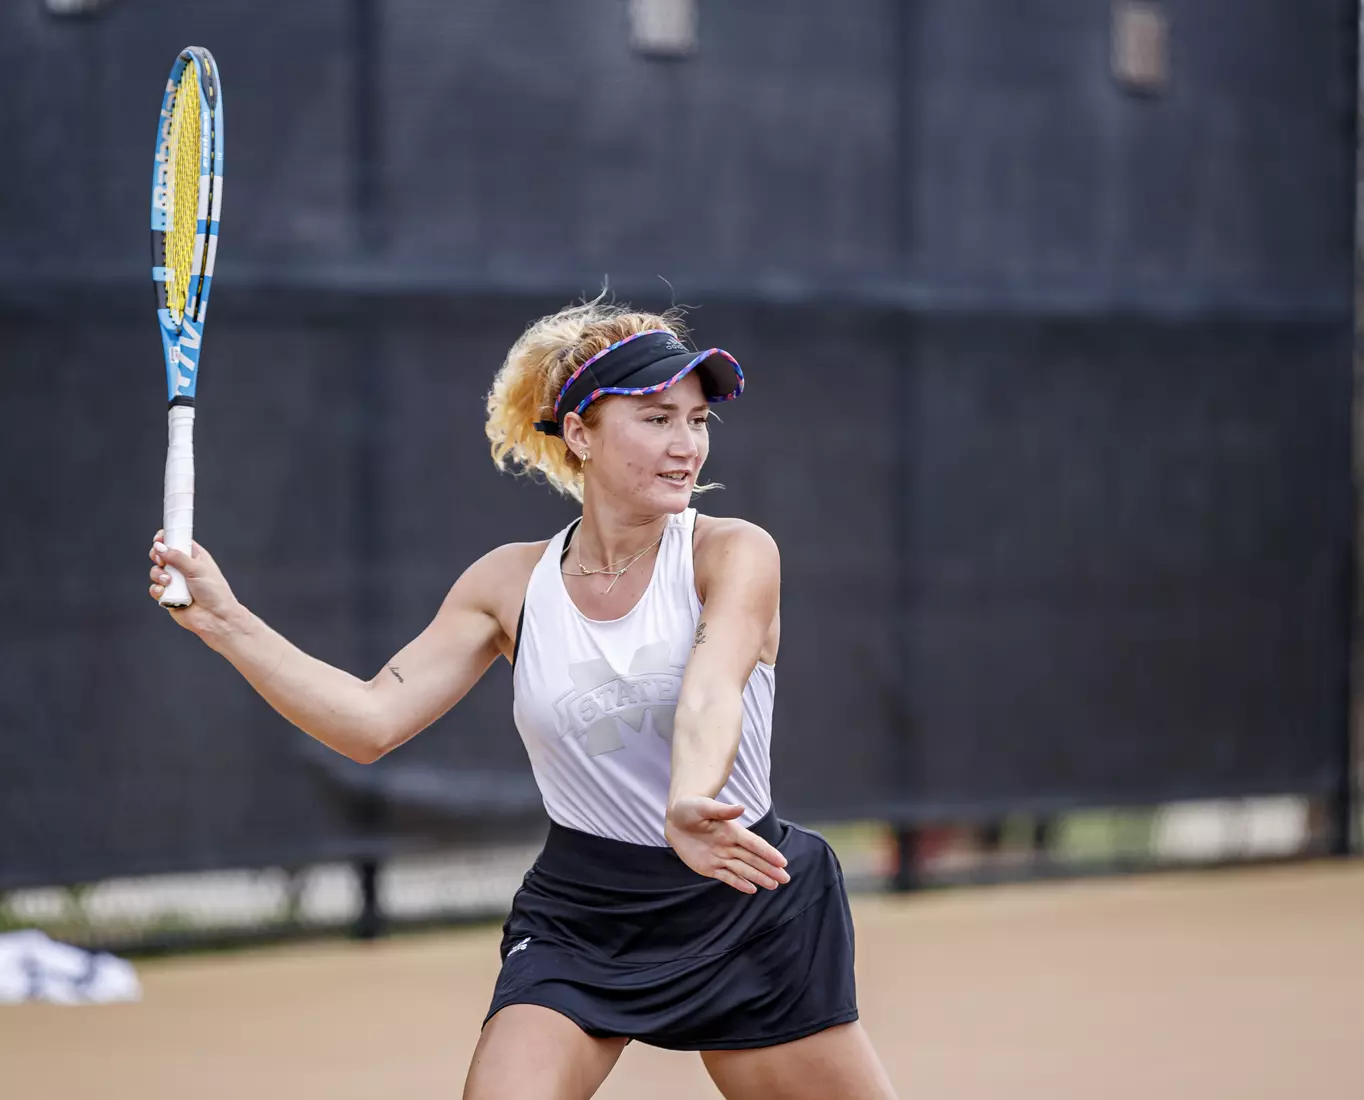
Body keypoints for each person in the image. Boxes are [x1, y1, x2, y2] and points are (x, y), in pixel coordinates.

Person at [147, 298, 899, 1100]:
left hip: (742, 895)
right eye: (656, 420)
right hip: (585, 912)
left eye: (697, 420)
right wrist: (226, 622)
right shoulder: (507, 584)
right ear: (580, 433)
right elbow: (369, 722)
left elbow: (714, 691)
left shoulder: (733, 552)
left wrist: (690, 801)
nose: (687, 446)